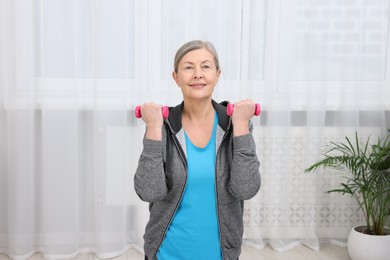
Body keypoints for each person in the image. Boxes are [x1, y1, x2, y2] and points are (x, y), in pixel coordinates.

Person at [134, 40, 261, 260]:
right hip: (165, 253)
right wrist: (153, 128)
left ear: (217, 74)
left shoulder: (235, 124)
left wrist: (241, 126)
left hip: (220, 254)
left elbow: (246, 189)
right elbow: (149, 192)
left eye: (205, 66)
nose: (197, 74)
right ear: (176, 77)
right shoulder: (163, 126)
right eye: (188, 67)